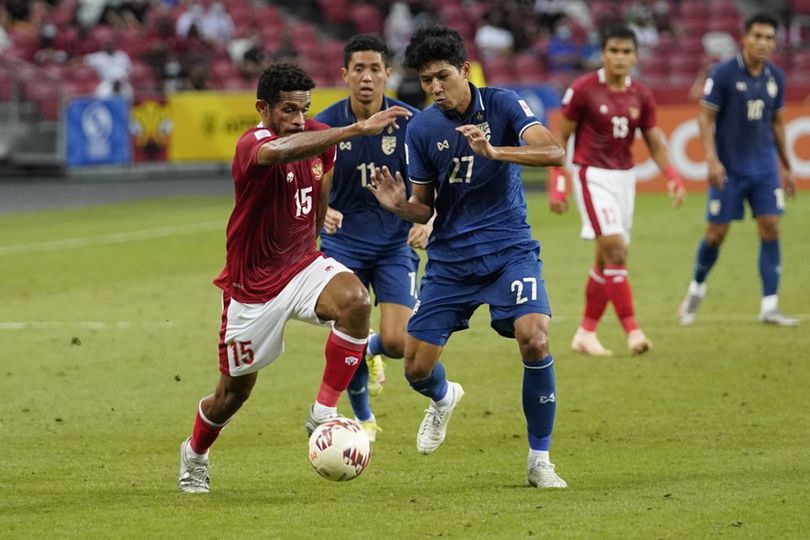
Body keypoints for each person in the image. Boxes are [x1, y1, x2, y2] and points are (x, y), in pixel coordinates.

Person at [177, 62, 412, 493]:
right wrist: (354, 131)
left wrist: (318, 235)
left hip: (302, 264)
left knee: (357, 301)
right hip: (253, 289)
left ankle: (323, 412)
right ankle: (194, 453)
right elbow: (286, 151)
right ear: (262, 108)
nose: (298, 119)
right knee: (232, 394)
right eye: (287, 110)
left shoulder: (319, 139)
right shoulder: (253, 144)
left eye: (303, 109)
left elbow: (321, 191)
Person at [368, 26, 568, 488]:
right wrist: (399, 205)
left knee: (535, 338)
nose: (435, 88)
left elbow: (554, 151)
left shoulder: (502, 103)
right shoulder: (420, 129)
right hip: (451, 262)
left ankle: (540, 461)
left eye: (442, 76)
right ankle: (442, 398)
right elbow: (425, 206)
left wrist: (494, 150)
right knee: (415, 368)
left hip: (508, 251)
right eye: (426, 81)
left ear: (464, 70)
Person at [548, 25, 686, 356]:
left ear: (635, 56)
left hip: (625, 179)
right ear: (603, 54)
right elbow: (560, 138)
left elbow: (654, 139)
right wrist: (559, 182)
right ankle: (633, 331)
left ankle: (586, 333)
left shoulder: (641, 94)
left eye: (626, 52)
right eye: (614, 51)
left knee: (604, 259)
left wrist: (672, 174)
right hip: (591, 175)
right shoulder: (583, 89)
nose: (620, 57)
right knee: (616, 251)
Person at [314, 35, 423, 442]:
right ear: (344, 75)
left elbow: (437, 182)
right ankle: (363, 417)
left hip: (394, 242)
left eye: (374, 68)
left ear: (388, 74)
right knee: (348, 326)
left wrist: (427, 219)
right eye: (358, 68)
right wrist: (320, 212)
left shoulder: (411, 122)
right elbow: (306, 184)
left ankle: (373, 352)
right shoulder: (326, 126)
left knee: (397, 342)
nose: (366, 76)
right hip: (344, 243)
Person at [678, 13, 798, 327]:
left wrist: (786, 166)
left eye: (769, 37)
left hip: (764, 169)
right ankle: (696, 287)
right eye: (757, 36)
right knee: (716, 234)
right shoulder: (724, 73)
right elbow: (704, 118)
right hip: (729, 170)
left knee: (771, 227)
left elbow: (778, 123)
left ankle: (769, 306)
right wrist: (712, 160)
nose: (763, 42)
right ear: (744, 38)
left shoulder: (776, 77)